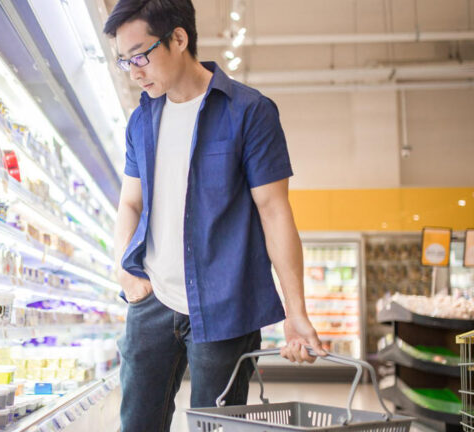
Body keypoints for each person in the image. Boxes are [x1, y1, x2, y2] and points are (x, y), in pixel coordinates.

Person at [103, 0, 327, 430]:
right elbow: (130, 203)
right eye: (123, 61)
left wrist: (297, 313)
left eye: (139, 56)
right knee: (136, 424)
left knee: (213, 427)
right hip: (151, 302)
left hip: (225, 306)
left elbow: (275, 211)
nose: (133, 71)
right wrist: (124, 273)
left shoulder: (249, 111)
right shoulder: (141, 121)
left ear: (179, 38)